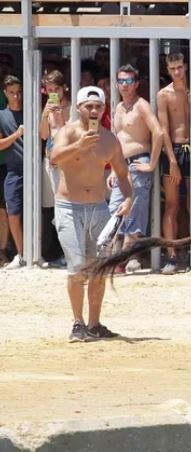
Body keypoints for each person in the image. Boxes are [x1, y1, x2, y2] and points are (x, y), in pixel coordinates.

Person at [50, 86, 134, 341]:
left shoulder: (109, 139)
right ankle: (78, 323)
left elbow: (121, 172)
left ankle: (95, 324)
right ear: (78, 108)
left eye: (99, 106)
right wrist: (79, 145)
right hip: (69, 207)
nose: (95, 110)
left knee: (98, 268)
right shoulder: (68, 132)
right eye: (89, 106)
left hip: (98, 207)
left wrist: (129, 197)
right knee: (77, 269)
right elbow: (54, 157)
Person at [109, 64, 164, 273]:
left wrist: (152, 163)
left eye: (129, 81)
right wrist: (114, 168)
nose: (125, 85)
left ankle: (123, 261)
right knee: (115, 209)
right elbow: (117, 140)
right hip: (121, 164)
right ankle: (119, 257)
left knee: (135, 212)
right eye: (121, 81)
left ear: (136, 84)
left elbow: (158, 132)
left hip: (139, 161)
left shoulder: (141, 105)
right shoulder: (118, 107)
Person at [156, 53, 191, 274]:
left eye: (179, 67)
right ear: (167, 70)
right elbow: (164, 130)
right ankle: (170, 255)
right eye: (172, 68)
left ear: (186, 66)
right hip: (175, 150)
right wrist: (171, 160)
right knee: (172, 205)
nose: (177, 72)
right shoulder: (163, 95)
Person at [0, 75, 25, 269]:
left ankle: (37, 251)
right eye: (11, 93)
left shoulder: (31, 110)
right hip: (14, 170)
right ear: (5, 93)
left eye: (18, 92)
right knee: (13, 212)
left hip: (34, 169)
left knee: (40, 211)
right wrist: (16, 135)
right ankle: (21, 253)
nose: (16, 97)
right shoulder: (1, 116)